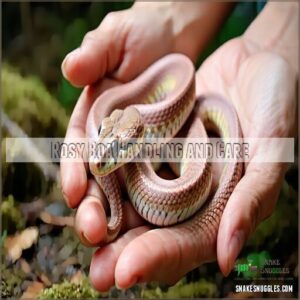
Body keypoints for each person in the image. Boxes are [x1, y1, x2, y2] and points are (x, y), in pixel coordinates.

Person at [60, 2, 298, 291]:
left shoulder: (172, 93)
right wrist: (168, 14)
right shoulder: (120, 119)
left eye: (116, 151)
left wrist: (282, 48)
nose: (102, 162)